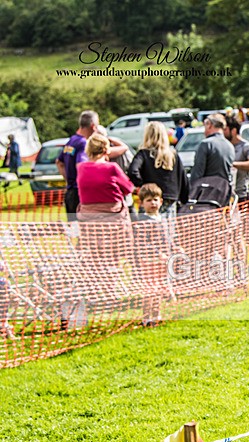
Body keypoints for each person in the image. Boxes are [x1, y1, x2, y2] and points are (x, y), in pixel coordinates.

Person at [57, 110, 127, 221]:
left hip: (70, 191)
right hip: (81, 194)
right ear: (93, 126)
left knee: (74, 229)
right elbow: (82, 165)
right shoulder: (83, 143)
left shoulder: (72, 140)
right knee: (85, 230)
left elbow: (59, 162)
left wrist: (69, 180)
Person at [224, 115, 249, 270]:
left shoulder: (245, 146)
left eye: (225, 129)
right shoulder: (224, 146)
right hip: (228, 200)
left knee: (248, 235)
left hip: (242, 198)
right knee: (234, 237)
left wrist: (234, 164)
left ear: (233, 130)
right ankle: (240, 270)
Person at [128, 122, 189, 218]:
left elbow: (133, 171)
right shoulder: (173, 155)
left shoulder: (143, 154)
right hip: (170, 197)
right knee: (168, 230)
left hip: (149, 198)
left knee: (149, 229)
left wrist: (143, 186)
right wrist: (184, 199)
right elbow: (183, 178)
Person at [134, 183, 171, 327]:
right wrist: (158, 253)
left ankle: (157, 315)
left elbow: (167, 238)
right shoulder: (142, 221)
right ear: (142, 203)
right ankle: (146, 317)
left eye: (155, 199)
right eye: (149, 200)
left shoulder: (162, 219)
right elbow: (143, 242)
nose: (153, 203)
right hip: (148, 260)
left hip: (162, 260)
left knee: (159, 288)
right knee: (149, 289)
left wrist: (174, 248)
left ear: (161, 201)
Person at [191, 113, 234, 189]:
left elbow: (197, 174)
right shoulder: (230, 145)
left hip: (207, 193)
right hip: (224, 191)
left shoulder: (206, 144)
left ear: (209, 125)